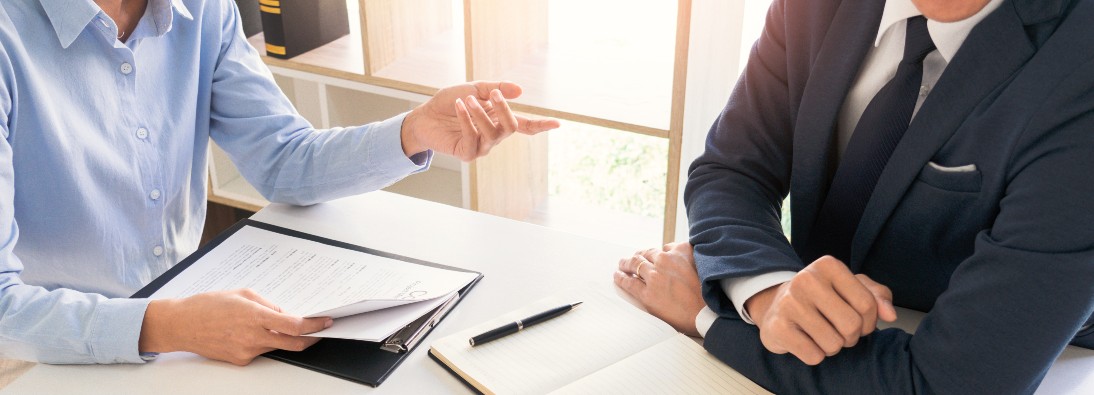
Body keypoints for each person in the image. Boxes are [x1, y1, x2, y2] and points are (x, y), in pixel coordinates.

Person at [0, 0, 559, 365]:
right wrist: (168, 325)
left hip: (186, 328)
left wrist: (416, 132)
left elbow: (284, 161)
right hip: (39, 357)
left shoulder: (203, 10)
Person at [615, 0, 1094, 393]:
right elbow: (733, 169)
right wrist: (767, 292)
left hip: (1038, 358)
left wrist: (710, 318)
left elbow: (953, 385)